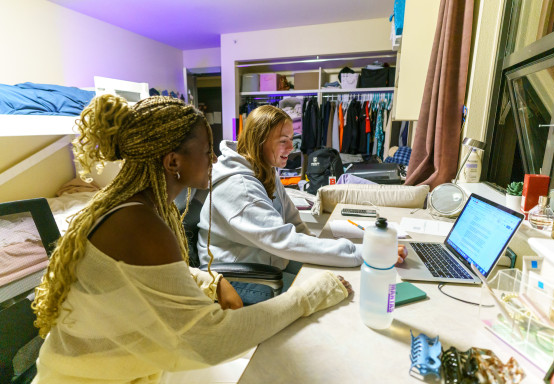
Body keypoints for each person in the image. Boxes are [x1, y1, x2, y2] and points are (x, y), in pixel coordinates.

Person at [31, 95, 352, 384]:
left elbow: (145, 276)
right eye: (206, 151)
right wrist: (310, 295)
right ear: (173, 162)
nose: (215, 159)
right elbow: (213, 341)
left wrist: (210, 282)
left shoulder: (142, 207)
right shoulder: (138, 223)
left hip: (120, 366)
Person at [197, 105, 407, 303]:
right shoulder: (238, 187)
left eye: (292, 139)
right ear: (260, 141)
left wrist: (350, 252)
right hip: (233, 278)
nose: (292, 147)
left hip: (265, 260)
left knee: (338, 276)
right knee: (332, 295)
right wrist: (366, 252)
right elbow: (284, 240)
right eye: (283, 140)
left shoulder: (264, 170)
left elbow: (295, 225)